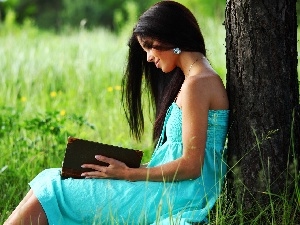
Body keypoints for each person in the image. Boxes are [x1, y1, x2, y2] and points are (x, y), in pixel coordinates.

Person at [4, 1, 229, 224]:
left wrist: (130, 174)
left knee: (55, 189)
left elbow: (191, 165)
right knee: (51, 179)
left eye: (150, 46)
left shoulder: (197, 84)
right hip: (170, 187)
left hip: (179, 194)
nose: (149, 57)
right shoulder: (196, 80)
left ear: (170, 36)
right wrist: (127, 168)